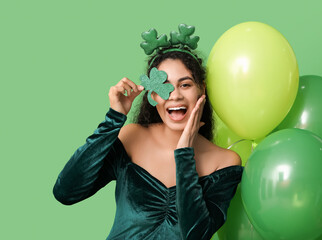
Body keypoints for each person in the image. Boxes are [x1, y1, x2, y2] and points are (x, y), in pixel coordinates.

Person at [53, 24, 243, 240]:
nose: (175, 96)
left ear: (202, 90)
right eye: (165, 85)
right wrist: (114, 119)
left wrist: (184, 155)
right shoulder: (132, 137)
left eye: (186, 85)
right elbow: (66, 192)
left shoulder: (225, 162)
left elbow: (195, 235)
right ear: (153, 95)